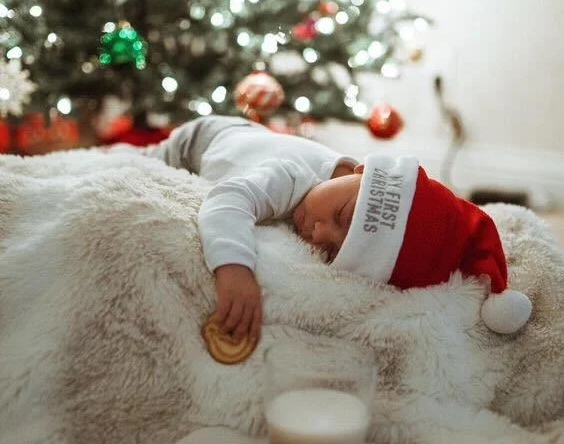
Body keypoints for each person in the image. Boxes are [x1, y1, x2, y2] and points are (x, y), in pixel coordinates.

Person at [144, 115, 532, 343]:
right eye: (341, 216)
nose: (318, 232)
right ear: (360, 170)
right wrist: (234, 268)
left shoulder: (334, 200)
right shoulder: (289, 174)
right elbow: (227, 200)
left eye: (332, 250)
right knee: (133, 162)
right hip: (203, 140)